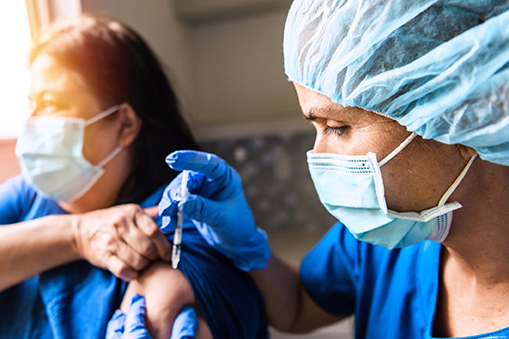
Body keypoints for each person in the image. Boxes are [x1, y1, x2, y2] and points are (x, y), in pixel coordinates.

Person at [157, 0, 509, 338]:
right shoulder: (396, 234)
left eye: (337, 127)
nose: (317, 154)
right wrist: (247, 246)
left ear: (469, 114)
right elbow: (298, 305)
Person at [0, 14, 268, 339]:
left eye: (52, 103)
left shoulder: (173, 222)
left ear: (125, 124)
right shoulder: (30, 197)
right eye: (32, 104)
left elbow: (165, 307)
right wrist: (77, 235)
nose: (32, 123)